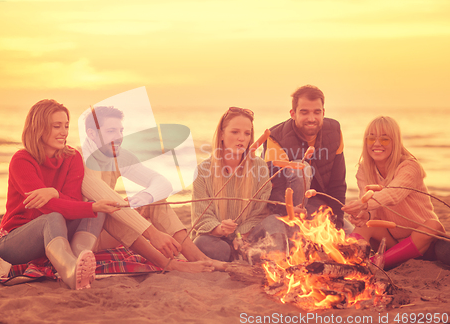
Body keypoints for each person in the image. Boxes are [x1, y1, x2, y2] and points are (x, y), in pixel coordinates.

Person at [0, 100, 119, 290]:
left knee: (96, 210)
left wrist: (55, 193)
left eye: (66, 126)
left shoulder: (72, 157)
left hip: (54, 235)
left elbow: (73, 203)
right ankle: (70, 271)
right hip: (13, 242)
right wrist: (86, 205)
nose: (64, 132)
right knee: (55, 216)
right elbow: (47, 207)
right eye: (56, 126)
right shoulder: (22, 160)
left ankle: (78, 261)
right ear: (39, 128)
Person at [81, 106, 217, 272]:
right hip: (84, 237)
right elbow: (104, 201)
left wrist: (145, 197)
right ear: (92, 134)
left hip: (106, 235)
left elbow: (162, 182)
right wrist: (153, 234)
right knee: (109, 210)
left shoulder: (119, 155)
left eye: (120, 131)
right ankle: (169, 264)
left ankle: (200, 258)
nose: (119, 137)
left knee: (154, 200)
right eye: (111, 131)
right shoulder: (82, 159)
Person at [342, 116, 446, 270]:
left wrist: (363, 205)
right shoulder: (364, 170)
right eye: (371, 139)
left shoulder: (409, 166)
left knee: (433, 224)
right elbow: (372, 212)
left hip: (425, 243)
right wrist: (364, 214)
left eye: (384, 139)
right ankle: (346, 262)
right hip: (391, 242)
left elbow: (394, 194)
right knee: (365, 225)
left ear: (395, 142)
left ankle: (374, 264)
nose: (377, 144)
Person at [191, 107, 272, 262]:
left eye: (246, 133)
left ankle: (242, 255)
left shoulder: (259, 166)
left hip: (248, 236)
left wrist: (241, 235)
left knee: (272, 230)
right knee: (203, 244)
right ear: (222, 134)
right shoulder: (203, 170)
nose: (241, 138)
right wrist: (221, 228)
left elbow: (261, 211)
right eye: (235, 132)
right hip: (216, 239)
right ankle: (234, 256)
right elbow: (200, 216)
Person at [262, 85, 347, 229]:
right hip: (284, 208)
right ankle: (294, 230)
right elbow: (270, 189)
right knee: (301, 169)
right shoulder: (275, 138)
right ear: (293, 113)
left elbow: (337, 184)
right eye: (304, 112)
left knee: (348, 234)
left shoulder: (335, 132)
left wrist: (337, 222)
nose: (311, 118)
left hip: (318, 205)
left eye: (317, 112)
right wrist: (286, 209)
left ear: (323, 113)